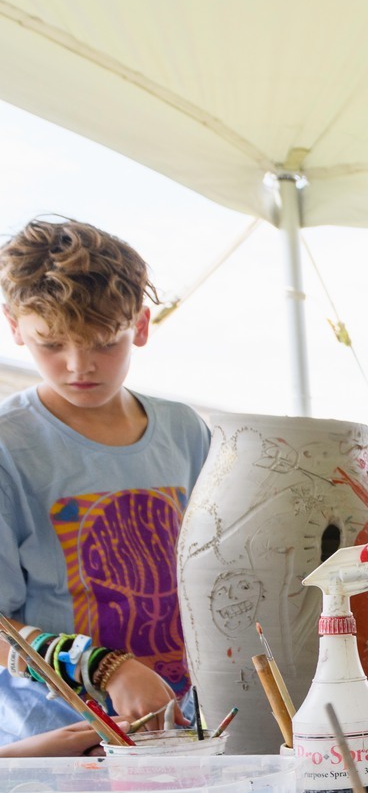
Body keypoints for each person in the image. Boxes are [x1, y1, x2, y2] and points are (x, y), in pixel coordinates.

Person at [0, 217, 207, 748]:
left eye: (104, 342)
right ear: (14, 326)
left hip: (184, 725)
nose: (78, 366)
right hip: (61, 743)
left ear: (140, 325)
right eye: (52, 345)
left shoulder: (185, 431)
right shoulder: (8, 447)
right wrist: (104, 667)